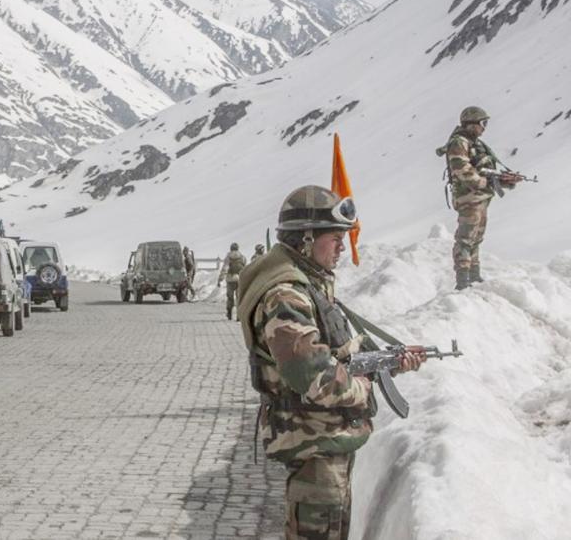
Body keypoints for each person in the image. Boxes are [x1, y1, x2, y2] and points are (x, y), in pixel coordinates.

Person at [237, 185, 425, 540]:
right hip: (314, 445)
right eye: (335, 237)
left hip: (322, 442)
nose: (343, 246)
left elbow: (329, 356)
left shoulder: (306, 284)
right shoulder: (287, 294)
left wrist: (384, 363)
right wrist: (363, 387)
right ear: (306, 239)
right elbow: (312, 375)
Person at [439, 106, 519, 289]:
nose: (484, 128)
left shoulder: (477, 144)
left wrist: (502, 180)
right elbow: (463, 171)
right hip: (469, 198)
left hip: (479, 198)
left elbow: (483, 171)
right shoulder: (459, 143)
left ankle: (474, 277)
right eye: (482, 123)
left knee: (476, 239)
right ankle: (463, 281)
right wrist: (487, 183)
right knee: (465, 239)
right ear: (471, 124)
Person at [218, 242, 246, 320]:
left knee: (230, 298)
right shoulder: (242, 257)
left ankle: (229, 313)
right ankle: (239, 316)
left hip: (230, 279)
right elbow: (245, 268)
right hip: (239, 279)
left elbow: (225, 268)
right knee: (239, 297)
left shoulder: (228, 257)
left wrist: (220, 279)